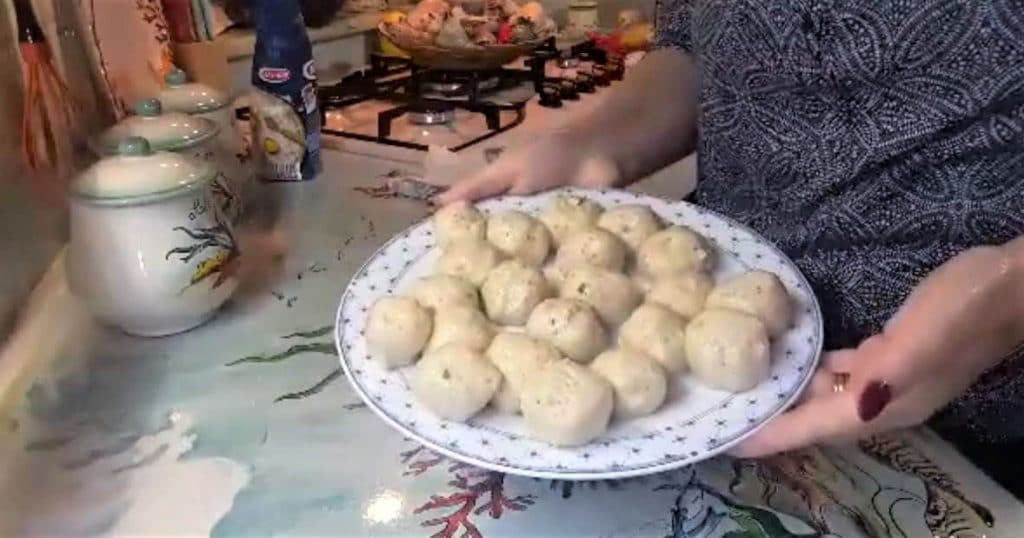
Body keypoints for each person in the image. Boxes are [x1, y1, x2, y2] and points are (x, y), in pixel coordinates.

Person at [437, 1, 1024, 494]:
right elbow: (695, 38)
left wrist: (1006, 293)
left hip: (968, 419)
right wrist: (594, 139)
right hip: (695, 372)